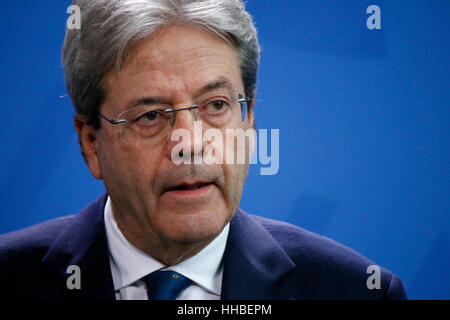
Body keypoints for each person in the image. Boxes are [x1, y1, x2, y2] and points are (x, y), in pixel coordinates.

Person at [0, 0, 406, 300]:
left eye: (216, 106)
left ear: (248, 122)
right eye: (151, 116)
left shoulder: (356, 291)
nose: (190, 145)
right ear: (91, 142)